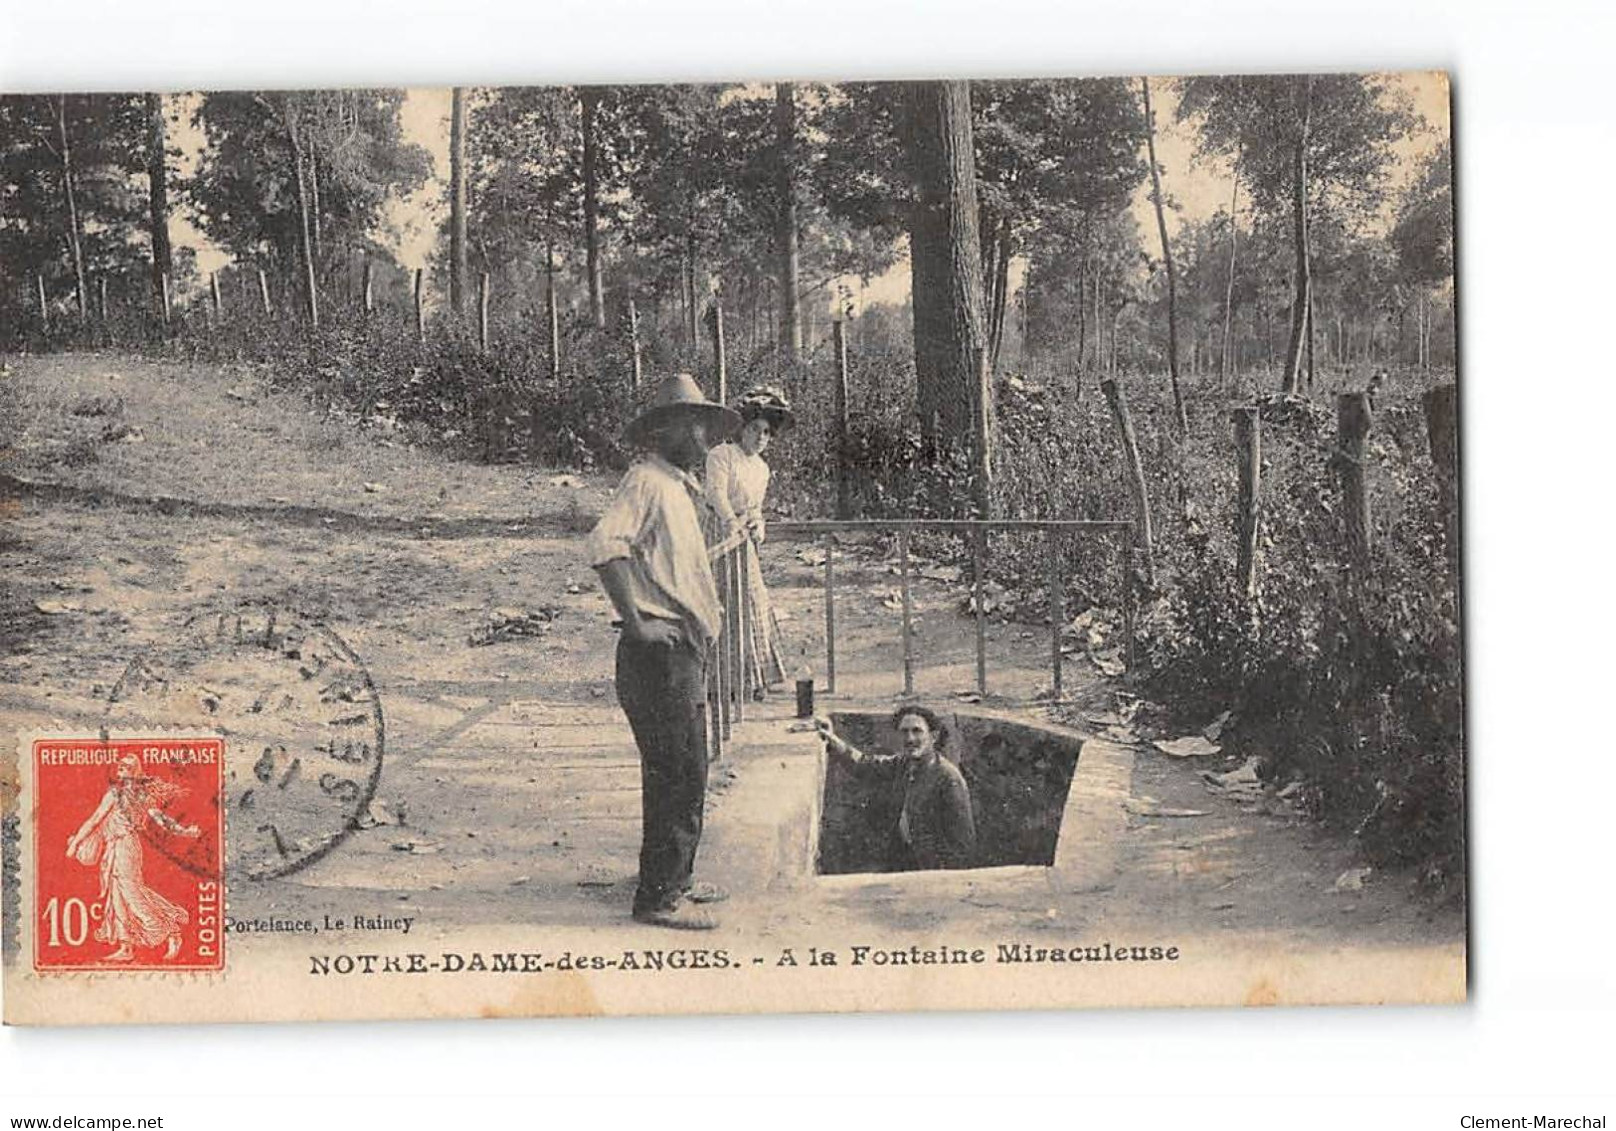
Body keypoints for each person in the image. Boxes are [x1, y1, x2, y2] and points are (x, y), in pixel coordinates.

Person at [587, 373, 741, 931]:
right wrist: (638, 623)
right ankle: (657, 899)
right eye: (693, 426)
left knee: (686, 771)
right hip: (659, 654)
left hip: (682, 652)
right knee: (678, 771)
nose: (703, 439)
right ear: (668, 429)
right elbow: (607, 548)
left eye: (706, 427)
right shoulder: (646, 482)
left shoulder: (677, 486)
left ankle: (675, 879)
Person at [65, 753, 201, 962]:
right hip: (113, 847)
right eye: (120, 764)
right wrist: (75, 843)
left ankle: (169, 930)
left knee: (131, 893)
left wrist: (184, 831)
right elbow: (94, 820)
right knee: (117, 895)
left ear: (136, 771)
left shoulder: (144, 796)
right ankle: (126, 946)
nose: (121, 767)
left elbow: (162, 820)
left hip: (127, 846)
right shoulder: (113, 793)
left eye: (127, 765)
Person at [703, 385, 793, 696]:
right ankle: (718, 681)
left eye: (766, 433)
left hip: (744, 537)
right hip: (717, 529)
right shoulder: (722, 455)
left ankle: (752, 677)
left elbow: (755, 506)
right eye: (755, 429)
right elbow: (715, 494)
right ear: (742, 428)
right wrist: (731, 523)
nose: (760, 438)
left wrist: (757, 523)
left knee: (752, 600)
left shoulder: (762, 468)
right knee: (721, 601)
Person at [814, 705, 976, 871]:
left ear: (933, 736)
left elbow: (962, 843)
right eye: (904, 732)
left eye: (917, 731)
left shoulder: (948, 778)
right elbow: (865, 765)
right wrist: (832, 739)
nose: (910, 738)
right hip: (902, 858)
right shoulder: (903, 764)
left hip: (932, 868)